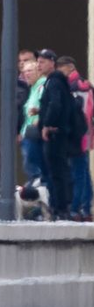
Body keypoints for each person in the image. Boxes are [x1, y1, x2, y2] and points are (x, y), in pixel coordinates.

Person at [37, 48, 75, 220]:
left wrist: (47, 124)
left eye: (43, 61)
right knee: (60, 171)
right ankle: (63, 206)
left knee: (57, 172)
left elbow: (55, 104)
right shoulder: (57, 82)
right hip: (60, 132)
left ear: (53, 63)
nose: (39, 64)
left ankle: (60, 208)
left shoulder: (54, 82)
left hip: (54, 134)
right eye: (38, 61)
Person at [58, 56, 93, 221]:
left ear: (69, 67)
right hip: (86, 134)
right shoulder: (87, 85)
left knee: (78, 173)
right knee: (83, 172)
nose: (59, 70)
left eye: (61, 67)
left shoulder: (73, 86)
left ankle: (76, 209)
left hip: (76, 135)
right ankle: (85, 209)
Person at [19, 49, 44, 183]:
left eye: (29, 71)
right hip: (28, 134)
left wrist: (38, 121)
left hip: (35, 134)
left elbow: (46, 106)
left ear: (38, 71)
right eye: (24, 72)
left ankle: (37, 195)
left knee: (34, 168)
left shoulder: (42, 86)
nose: (26, 74)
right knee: (30, 168)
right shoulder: (33, 88)